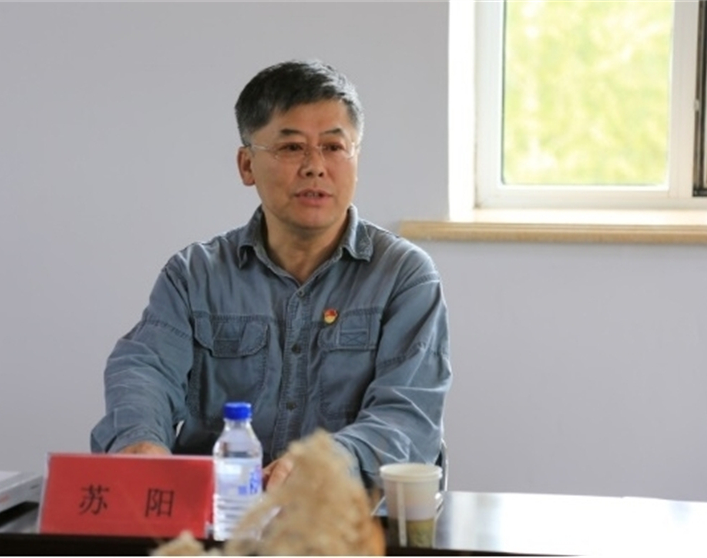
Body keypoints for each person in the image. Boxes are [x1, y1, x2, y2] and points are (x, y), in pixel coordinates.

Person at [90, 59, 452, 491]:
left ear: (357, 159)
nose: (315, 166)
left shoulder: (403, 276)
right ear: (246, 165)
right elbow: (145, 369)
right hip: (220, 513)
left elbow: (408, 417)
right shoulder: (194, 276)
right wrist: (140, 441)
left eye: (334, 147)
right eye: (292, 147)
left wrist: (327, 463)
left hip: (347, 516)